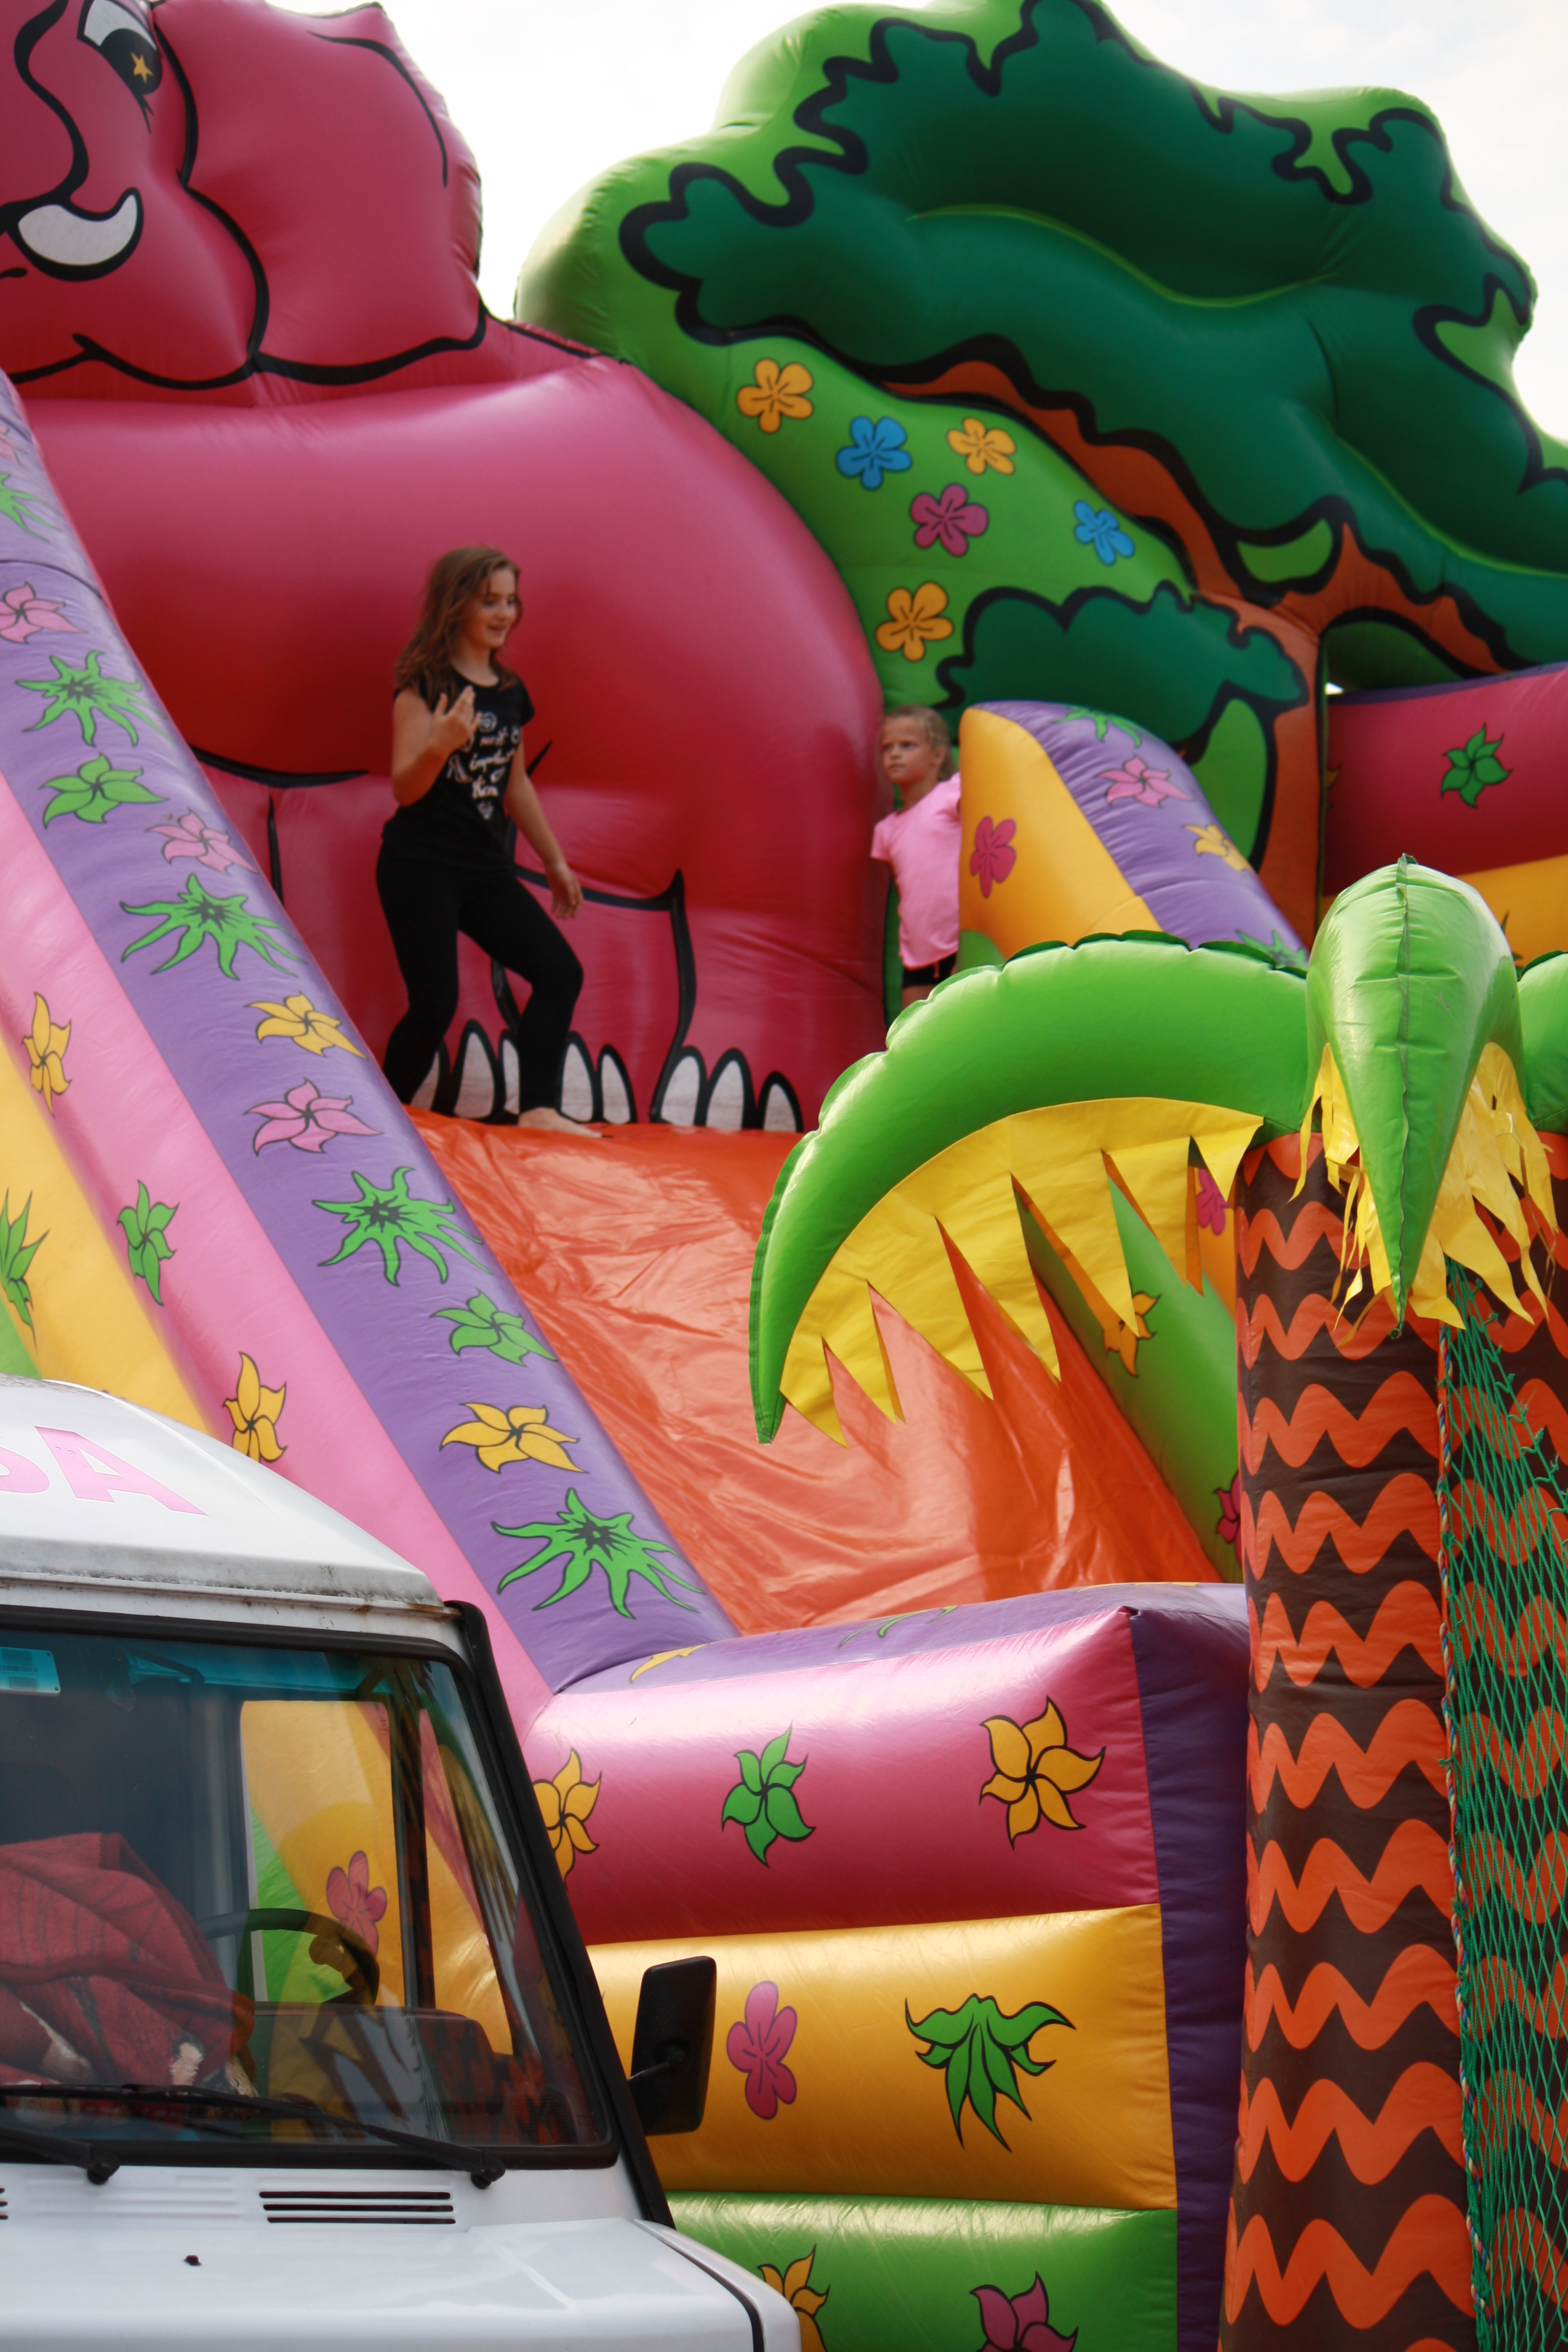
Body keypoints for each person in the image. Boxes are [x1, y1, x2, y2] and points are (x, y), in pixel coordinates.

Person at [377, 546, 591, 1131]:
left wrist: (554, 862)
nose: (504, 614)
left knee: (560, 973)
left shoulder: (509, 691)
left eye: (511, 601)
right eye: (489, 601)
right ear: (457, 606)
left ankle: (538, 1109)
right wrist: (440, 744)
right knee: (435, 1004)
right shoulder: (424, 685)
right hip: (419, 864)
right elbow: (405, 788)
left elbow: (515, 784)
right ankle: (381, 1119)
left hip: (482, 868)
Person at [870, 704, 961, 1010]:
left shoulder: (952, 794)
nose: (895, 754)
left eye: (907, 745)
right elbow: (906, 887)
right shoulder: (886, 830)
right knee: (915, 1030)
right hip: (917, 955)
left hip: (958, 943)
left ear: (937, 755)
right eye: (888, 747)